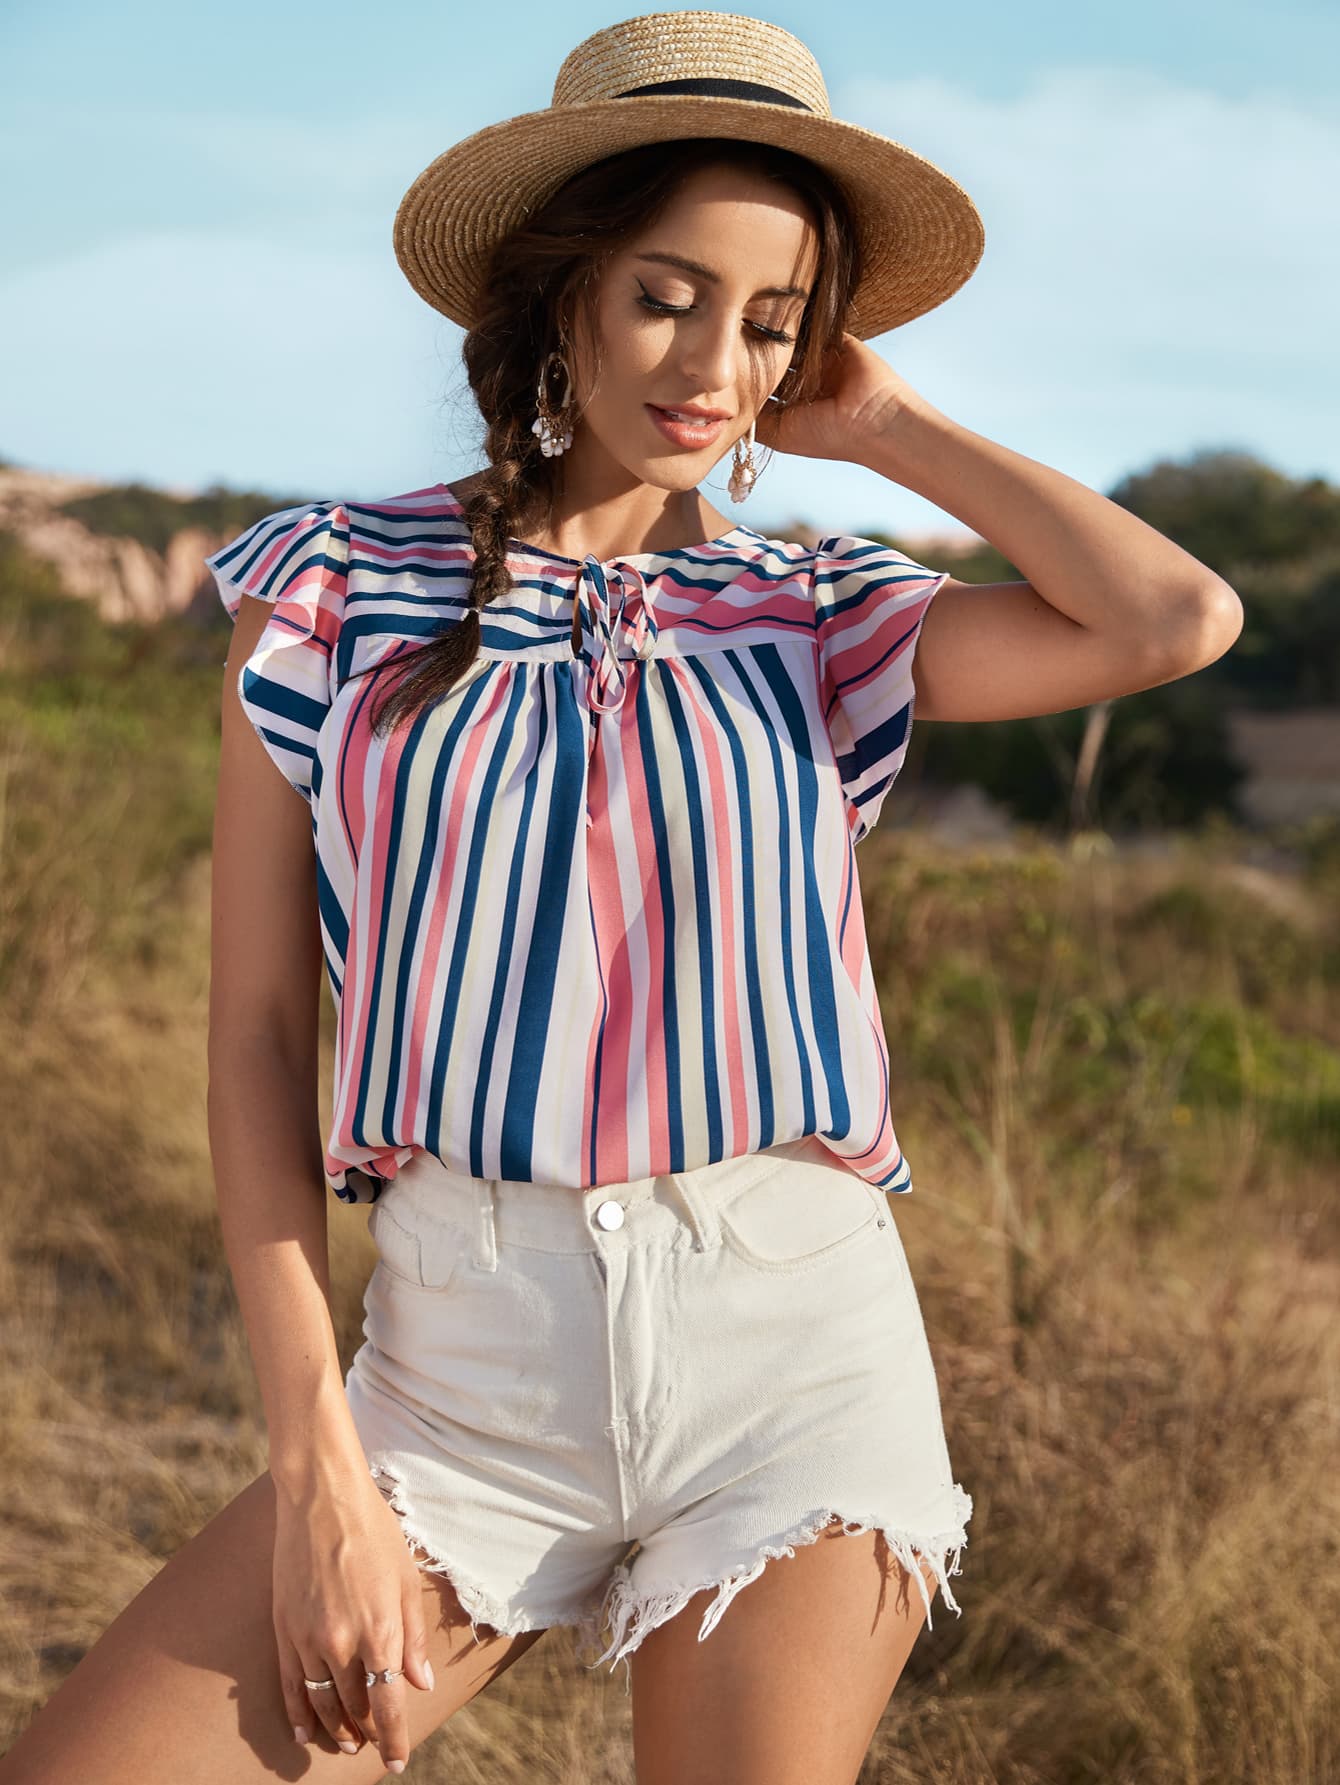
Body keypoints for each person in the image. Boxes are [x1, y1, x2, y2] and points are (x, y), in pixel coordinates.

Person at [2, 11, 1242, 1784]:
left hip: (789, 1356)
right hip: (455, 1378)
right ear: (560, 288)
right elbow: (265, 1042)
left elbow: (1172, 619)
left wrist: (883, 417)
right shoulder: (334, 590)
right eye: (669, 293)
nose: (715, 364)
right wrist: (316, 1482)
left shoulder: (820, 611)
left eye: (771, 319)